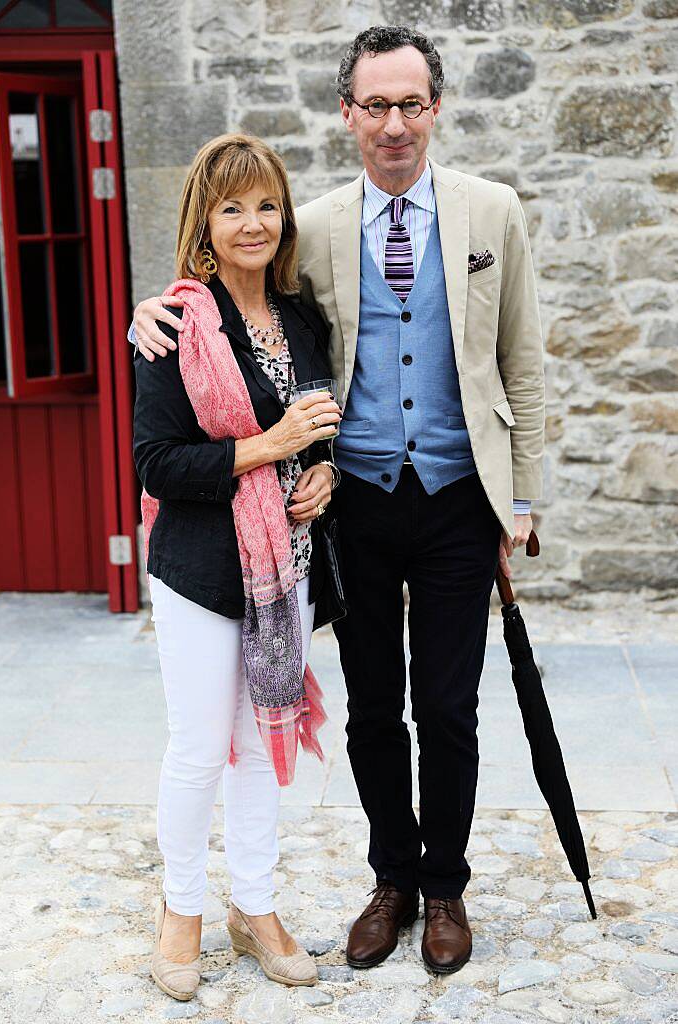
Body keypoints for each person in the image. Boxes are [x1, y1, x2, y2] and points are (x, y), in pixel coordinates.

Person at [131, 25, 545, 976]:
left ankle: (444, 887)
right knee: (370, 709)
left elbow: (521, 362)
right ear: (347, 113)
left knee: (447, 708)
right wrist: (147, 311)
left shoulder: (493, 212)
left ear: (435, 107)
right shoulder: (308, 225)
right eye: (374, 104)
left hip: (455, 502)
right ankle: (389, 880)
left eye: (410, 102)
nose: (393, 122)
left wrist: (520, 499)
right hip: (350, 507)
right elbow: (224, 307)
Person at [132, 133, 343, 1000]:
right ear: (204, 223)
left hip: (282, 567)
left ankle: (253, 907)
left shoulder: (302, 317)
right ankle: (180, 910)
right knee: (195, 750)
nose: (251, 223)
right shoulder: (175, 322)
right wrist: (270, 447)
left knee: (261, 748)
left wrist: (323, 471)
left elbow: (325, 428)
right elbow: (156, 463)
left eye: (264, 204)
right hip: (198, 570)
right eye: (231, 208)